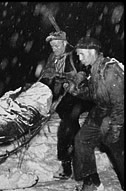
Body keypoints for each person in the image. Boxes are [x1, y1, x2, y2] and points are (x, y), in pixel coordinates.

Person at [64, 36, 124, 191]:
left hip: (117, 112)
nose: (79, 58)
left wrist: (116, 126)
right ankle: (92, 182)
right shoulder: (94, 71)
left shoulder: (110, 70)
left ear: (92, 52)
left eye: (81, 54)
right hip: (101, 110)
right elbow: (93, 94)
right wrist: (74, 90)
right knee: (82, 140)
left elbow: (120, 101)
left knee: (117, 147)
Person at [40, 31, 94, 180]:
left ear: (64, 43)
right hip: (62, 100)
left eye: (57, 45)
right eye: (52, 46)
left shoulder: (75, 56)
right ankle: (75, 161)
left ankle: (72, 164)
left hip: (79, 98)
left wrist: (72, 79)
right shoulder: (52, 58)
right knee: (70, 129)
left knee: (67, 127)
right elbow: (45, 76)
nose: (54, 48)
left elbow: (85, 73)